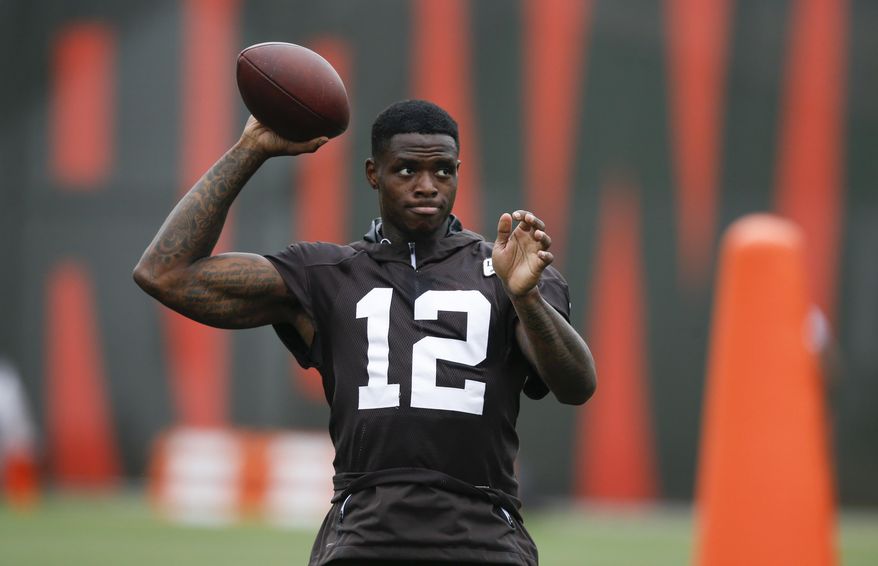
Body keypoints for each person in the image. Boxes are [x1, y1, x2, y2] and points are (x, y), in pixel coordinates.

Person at [134, 99, 596, 565]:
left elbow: (577, 387)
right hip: (363, 534)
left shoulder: (506, 270)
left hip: (483, 534)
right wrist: (249, 149)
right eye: (406, 170)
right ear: (373, 173)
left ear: (458, 171)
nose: (426, 186)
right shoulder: (326, 273)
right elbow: (165, 274)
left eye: (442, 171)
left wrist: (526, 298)